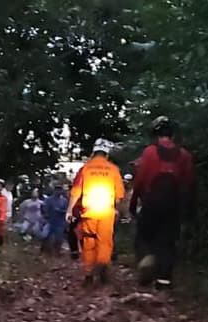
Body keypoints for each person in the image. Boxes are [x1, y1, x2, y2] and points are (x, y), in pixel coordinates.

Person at [130, 116, 196, 290]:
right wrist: (186, 209)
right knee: (167, 242)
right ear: (172, 135)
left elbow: (140, 180)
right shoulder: (184, 156)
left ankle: (147, 259)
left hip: (151, 203)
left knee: (143, 237)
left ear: (155, 134)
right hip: (173, 205)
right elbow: (188, 184)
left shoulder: (149, 152)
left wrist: (133, 202)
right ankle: (163, 281)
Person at [68, 139, 125, 286]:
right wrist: (119, 210)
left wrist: (69, 210)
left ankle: (88, 275)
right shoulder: (113, 169)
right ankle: (103, 268)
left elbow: (76, 191)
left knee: (89, 242)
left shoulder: (86, 168)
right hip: (106, 212)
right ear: (107, 154)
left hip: (89, 212)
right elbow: (119, 195)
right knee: (105, 242)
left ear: (94, 152)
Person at [41, 184, 69, 256]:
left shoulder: (64, 201)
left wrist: (60, 211)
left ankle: (57, 252)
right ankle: (45, 251)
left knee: (59, 239)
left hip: (60, 222)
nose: (58, 191)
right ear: (54, 190)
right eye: (57, 189)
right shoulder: (49, 200)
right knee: (46, 237)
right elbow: (44, 209)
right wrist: (45, 217)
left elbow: (67, 211)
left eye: (60, 190)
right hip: (50, 221)